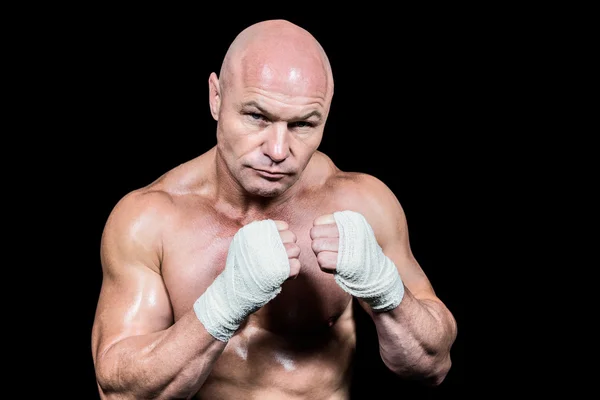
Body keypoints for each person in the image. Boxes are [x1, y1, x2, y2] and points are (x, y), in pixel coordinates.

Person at [91, 18, 458, 399]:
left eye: (302, 124)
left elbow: (434, 364)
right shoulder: (149, 220)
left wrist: (385, 288)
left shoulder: (360, 203)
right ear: (216, 97)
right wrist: (224, 305)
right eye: (257, 117)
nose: (278, 151)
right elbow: (119, 392)